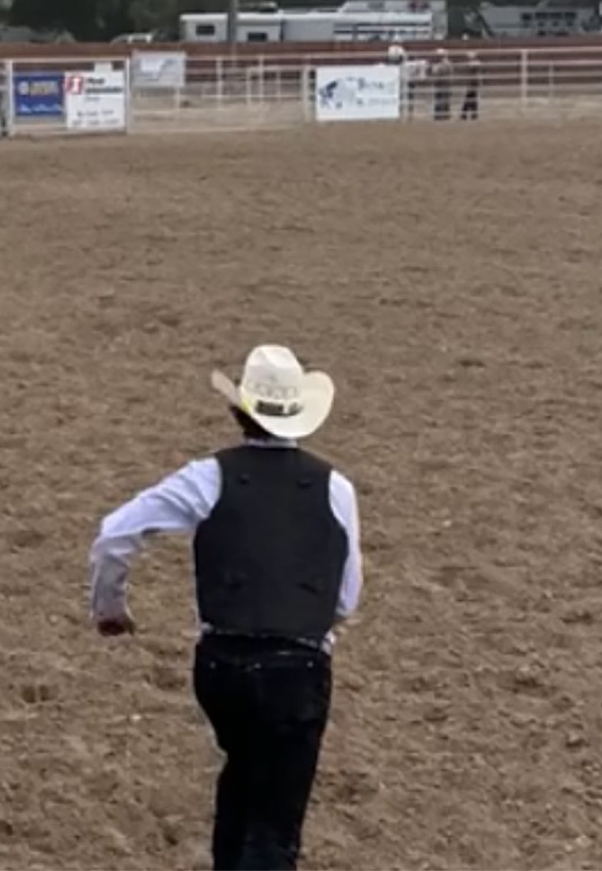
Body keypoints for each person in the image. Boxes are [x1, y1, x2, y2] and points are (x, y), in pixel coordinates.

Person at [86, 344, 363, 871]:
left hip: (221, 667)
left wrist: (110, 606)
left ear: (239, 411)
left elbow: (115, 533)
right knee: (275, 824)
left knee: (240, 780)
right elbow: (347, 596)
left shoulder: (208, 478)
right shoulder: (336, 488)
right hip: (298, 667)